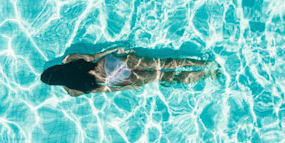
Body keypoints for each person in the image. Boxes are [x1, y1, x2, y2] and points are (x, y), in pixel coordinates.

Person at [40, 48, 220, 96]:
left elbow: (103, 89)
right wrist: (114, 50)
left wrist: (127, 88)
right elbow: (93, 56)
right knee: (163, 63)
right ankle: (205, 63)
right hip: (109, 64)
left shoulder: (72, 91)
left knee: (164, 76)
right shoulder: (68, 60)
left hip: (115, 79)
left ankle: (207, 74)